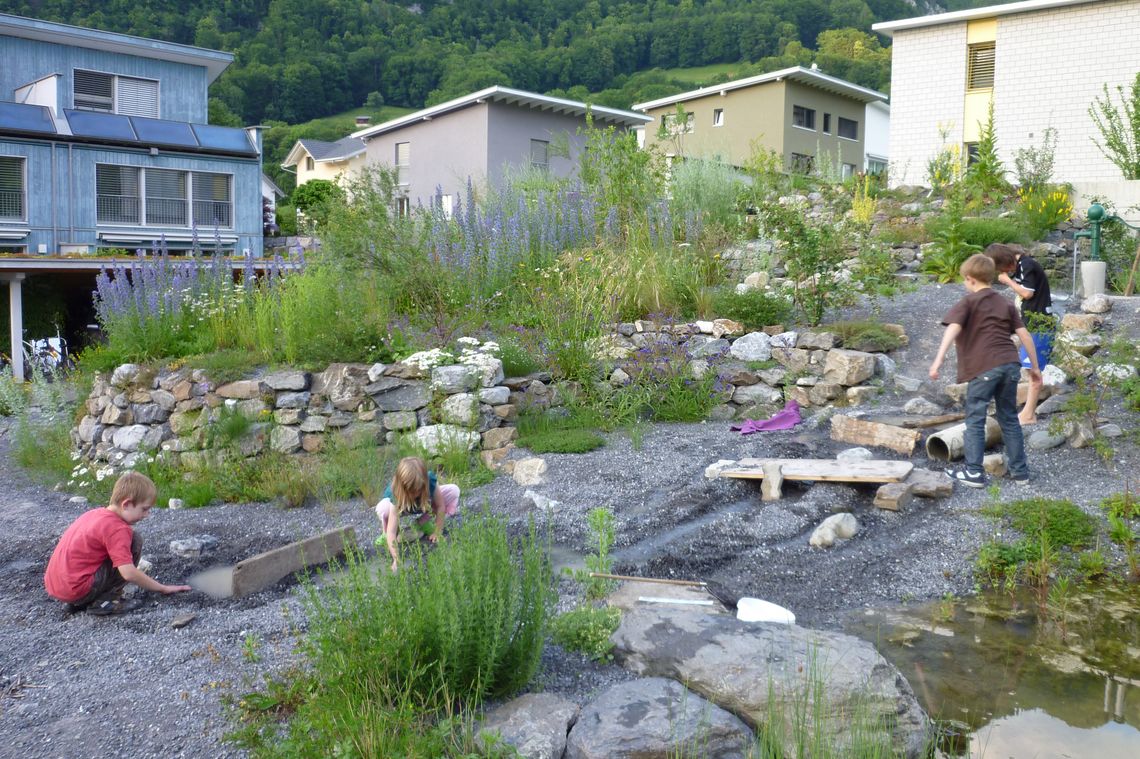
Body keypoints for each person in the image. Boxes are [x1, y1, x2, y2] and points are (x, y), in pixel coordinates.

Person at [929, 253, 1042, 488]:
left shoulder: (969, 302)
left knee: (975, 419)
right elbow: (1024, 336)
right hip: (1010, 365)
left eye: (964, 280)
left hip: (986, 367)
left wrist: (938, 360)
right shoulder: (1005, 303)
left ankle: (973, 472)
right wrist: (1035, 367)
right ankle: (1020, 473)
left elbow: (953, 328)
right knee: (1009, 418)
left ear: (970, 279)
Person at [44, 471, 191, 615]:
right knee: (134, 541)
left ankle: (78, 602)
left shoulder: (94, 514)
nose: (147, 515)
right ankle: (105, 602)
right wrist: (162, 588)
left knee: (116, 550)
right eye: (144, 509)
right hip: (77, 589)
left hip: (58, 587)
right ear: (126, 504)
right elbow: (128, 574)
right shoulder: (117, 528)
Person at [986, 243, 1055, 425]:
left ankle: (1029, 415)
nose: (1003, 272)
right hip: (1032, 326)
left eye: (1001, 268)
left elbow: (1027, 293)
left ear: (1006, 262)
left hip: (1040, 326)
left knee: (1034, 369)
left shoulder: (1026, 265)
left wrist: (1008, 281)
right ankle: (1027, 412)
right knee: (1029, 367)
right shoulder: (1021, 267)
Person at [375, 457, 460, 572]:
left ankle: (422, 522)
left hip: (424, 504)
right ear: (402, 487)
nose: (415, 494)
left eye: (418, 489)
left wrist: (437, 532)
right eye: (411, 490)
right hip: (402, 506)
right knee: (382, 509)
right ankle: (392, 535)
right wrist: (396, 559)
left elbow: (440, 507)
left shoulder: (429, 481)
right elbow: (391, 531)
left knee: (454, 490)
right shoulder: (396, 492)